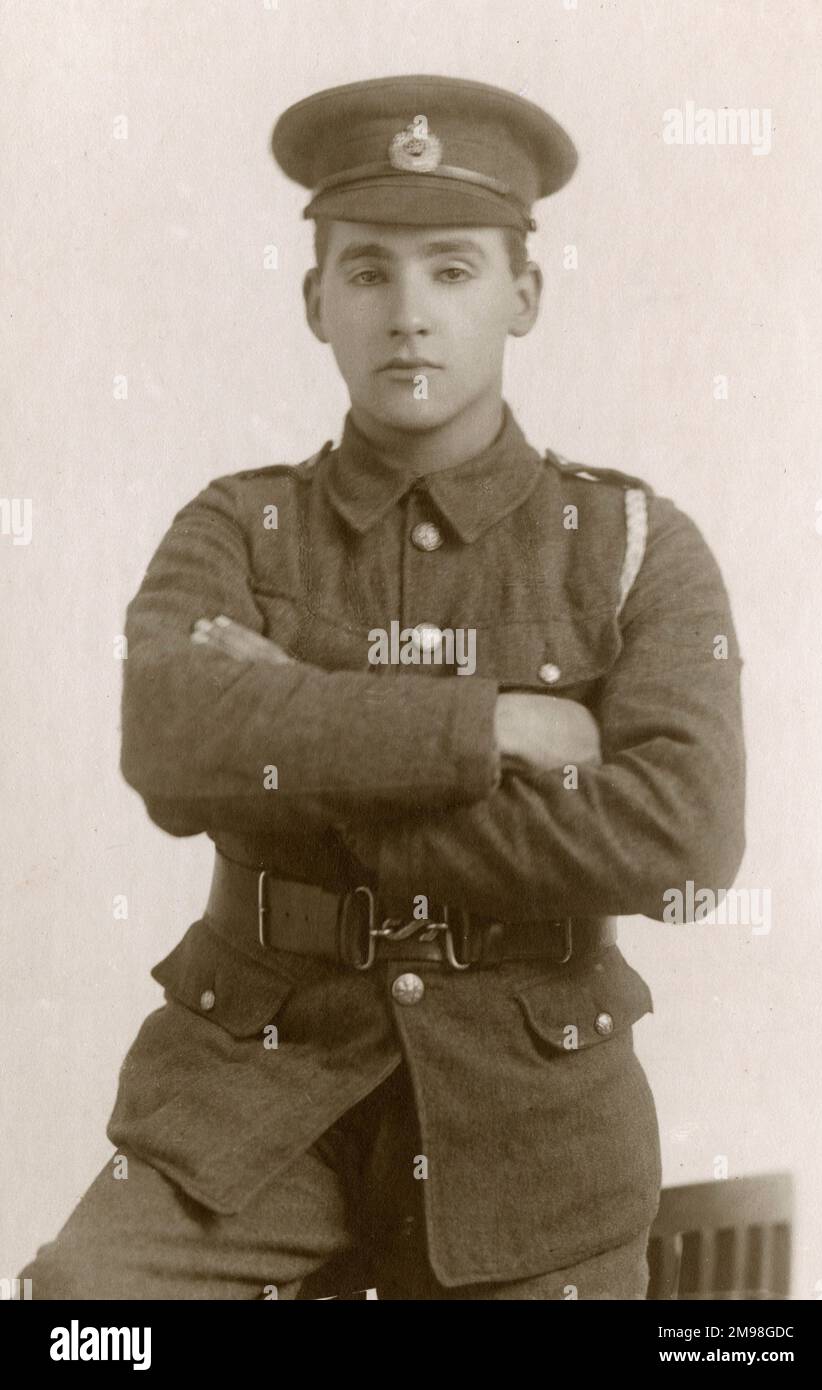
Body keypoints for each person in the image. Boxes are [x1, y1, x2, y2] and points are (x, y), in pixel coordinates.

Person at [20, 74, 745, 1300]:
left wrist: (305, 721)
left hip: (533, 1128)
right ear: (316, 302)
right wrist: (494, 726)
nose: (408, 314)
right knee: (83, 1324)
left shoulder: (630, 543)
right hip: (250, 1093)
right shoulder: (237, 528)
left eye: (452, 271)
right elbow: (170, 736)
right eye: (367, 272)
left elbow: (681, 845)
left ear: (524, 293)